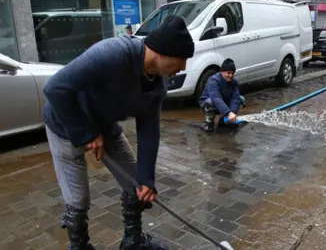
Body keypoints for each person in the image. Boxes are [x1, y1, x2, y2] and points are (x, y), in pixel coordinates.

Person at [43, 15, 194, 250]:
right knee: (78, 198)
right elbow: (55, 89)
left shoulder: (158, 83)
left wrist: (147, 179)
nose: (183, 67)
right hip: (66, 122)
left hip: (104, 125)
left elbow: (149, 128)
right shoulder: (113, 54)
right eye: (181, 59)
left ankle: (133, 240)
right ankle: (80, 246)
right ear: (161, 52)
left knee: (136, 185)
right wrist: (86, 133)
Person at [199, 58, 245, 133]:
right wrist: (228, 112)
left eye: (232, 73)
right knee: (210, 102)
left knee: (240, 99)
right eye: (228, 73)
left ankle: (224, 120)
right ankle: (209, 122)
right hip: (209, 103)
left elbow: (235, 98)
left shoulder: (234, 82)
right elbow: (216, 98)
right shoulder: (213, 81)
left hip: (223, 103)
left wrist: (232, 113)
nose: (230, 75)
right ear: (222, 72)